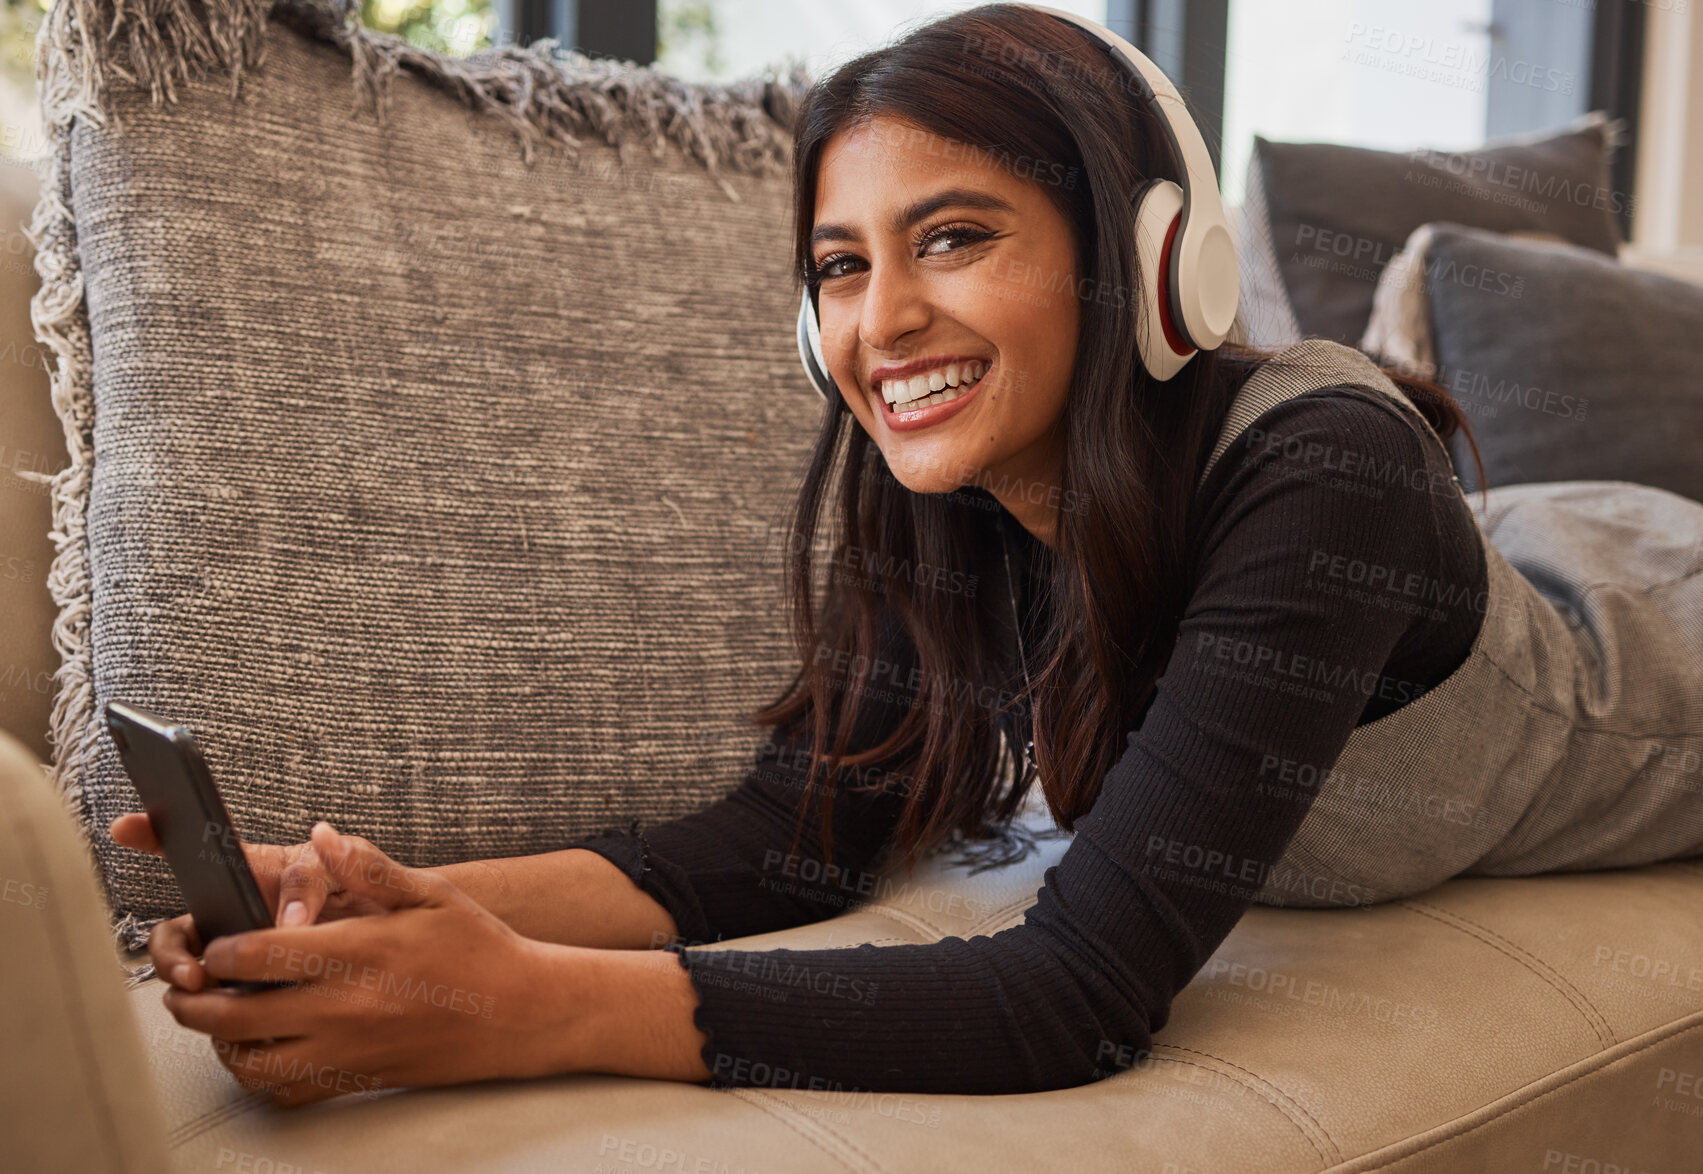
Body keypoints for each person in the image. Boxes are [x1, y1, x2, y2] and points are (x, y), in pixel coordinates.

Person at [114, 3, 1703, 1105]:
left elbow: (1076, 994)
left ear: (1149, 256)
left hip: (1659, 635)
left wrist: (521, 1007)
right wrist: (396, 914)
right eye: (840, 267)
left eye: (955, 238)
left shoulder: (1325, 474)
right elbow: (779, 844)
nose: (883, 324)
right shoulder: (959, 496)